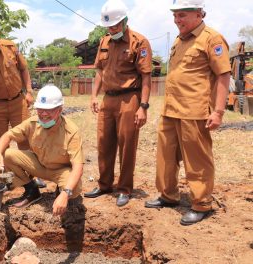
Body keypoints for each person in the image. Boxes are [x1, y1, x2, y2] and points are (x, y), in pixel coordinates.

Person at [145, 0, 230, 225]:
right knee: (165, 157)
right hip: (171, 109)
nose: (177, 20)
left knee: (197, 160)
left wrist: (219, 111)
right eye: (175, 15)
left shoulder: (212, 39)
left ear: (199, 14)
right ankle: (168, 195)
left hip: (195, 111)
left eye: (182, 15)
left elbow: (223, 75)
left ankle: (201, 203)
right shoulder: (179, 40)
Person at [84, 0, 152, 207]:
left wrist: (143, 106)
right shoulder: (104, 42)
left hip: (129, 99)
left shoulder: (139, 42)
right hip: (108, 99)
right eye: (108, 26)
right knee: (104, 143)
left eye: (115, 25)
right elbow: (99, 72)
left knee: (127, 144)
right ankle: (105, 185)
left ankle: (124, 188)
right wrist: (94, 96)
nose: (111, 29)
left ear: (125, 21)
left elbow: (146, 77)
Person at [0, 15, 46, 188]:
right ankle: (5, 180)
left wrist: (29, 91)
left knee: (26, 139)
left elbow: (24, 69)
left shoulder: (10, 47)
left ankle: (33, 176)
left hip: (18, 101)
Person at [0, 85, 84, 215]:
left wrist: (65, 194)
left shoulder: (71, 131)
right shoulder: (33, 123)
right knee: (7, 155)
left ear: (59, 110)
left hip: (61, 171)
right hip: (39, 165)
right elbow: (8, 135)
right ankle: (32, 191)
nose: (44, 114)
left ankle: (61, 191)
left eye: (49, 110)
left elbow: (78, 168)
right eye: (40, 109)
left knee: (73, 192)